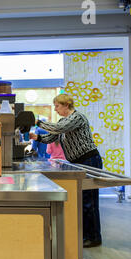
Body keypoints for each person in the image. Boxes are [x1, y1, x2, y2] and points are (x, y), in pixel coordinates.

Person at [29, 94, 103, 248]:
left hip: (89, 160)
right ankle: (86, 235)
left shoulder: (77, 118)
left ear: (66, 104)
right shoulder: (64, 121)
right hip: (79, 162)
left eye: (57, 106)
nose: (55, 110)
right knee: (84, 201)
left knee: (89, 201)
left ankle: (94, 237)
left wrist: (37, 122)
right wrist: (36, 137)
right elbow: (52, 136)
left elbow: (58, 128)